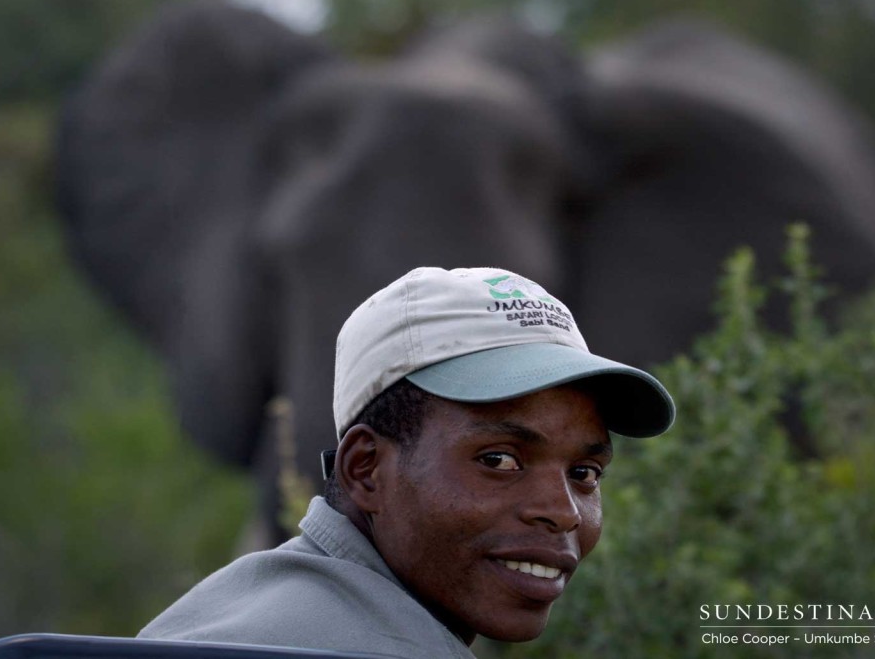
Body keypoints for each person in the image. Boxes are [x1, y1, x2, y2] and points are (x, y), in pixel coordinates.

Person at [139, 266, 675, 658]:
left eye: (584, 474)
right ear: (366, 469)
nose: (564, 513)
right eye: (499, 460)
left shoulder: (224, 607)